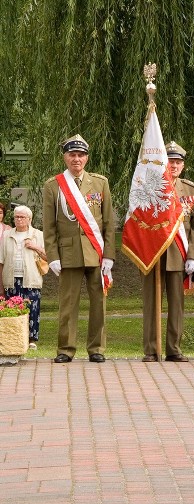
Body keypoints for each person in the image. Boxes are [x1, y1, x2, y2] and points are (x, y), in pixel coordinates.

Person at [43, 134, 116, 363]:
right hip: (68, 254)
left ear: (86, 158)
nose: (77, 159)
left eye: (81, 155)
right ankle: (65, 349)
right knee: (68, 304)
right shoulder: (53, 186)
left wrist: (109, 256)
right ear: (65, 157)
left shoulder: (100, 182)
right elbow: (49, 226)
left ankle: (97, 349)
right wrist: (52, 256)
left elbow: (108, 223)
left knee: (99, 304)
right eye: (72, 155)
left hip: (96, 252)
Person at [140, 141, 194, 362]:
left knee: (177, 304)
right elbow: (140, 219)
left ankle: (173, 349)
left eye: (178, 162)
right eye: (170, 162)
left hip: (179, 253)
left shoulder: (190, 189)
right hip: (154, 254)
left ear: (183, 165)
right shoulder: (148, 186)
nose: (174, 165)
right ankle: (151, 349)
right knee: (151, 304)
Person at [0, 206, 46, 349]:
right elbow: (1, 260)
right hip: (11, 279)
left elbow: (48, 256)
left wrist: (35, 247)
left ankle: (32, 339)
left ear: (29, 219)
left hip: (31, 278)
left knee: (32, 308)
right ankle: (14, 337)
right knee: (13, 308)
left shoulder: (38, 234)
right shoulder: (7, 235)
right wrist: (1, 284)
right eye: (16, 217)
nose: (19, 219)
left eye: (22, 217)